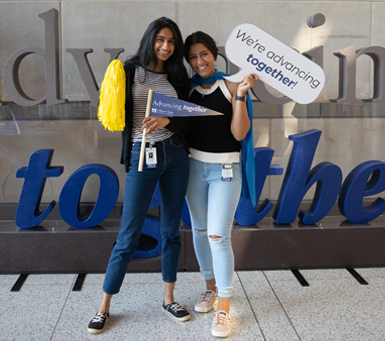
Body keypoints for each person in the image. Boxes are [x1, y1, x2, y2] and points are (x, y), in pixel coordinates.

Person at [87, 17, 191, 334]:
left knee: (172, 230)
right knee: (128, 234)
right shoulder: (129, 71)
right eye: (161, 39)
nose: (166, 46)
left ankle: (169, 298)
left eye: (172, 42)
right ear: (150, 39)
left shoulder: (177, 75)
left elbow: (188, 118)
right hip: (141, 154)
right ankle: (104, 307)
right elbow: (113, 114)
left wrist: (167, 122)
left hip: (175, 155)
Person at [183, 31, 257, 338]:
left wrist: (240, 95)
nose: (200, 61)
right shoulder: (185, 90)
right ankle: (210, 289)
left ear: (215, 54)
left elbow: (239, 134)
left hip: (225, 170)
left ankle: (224, 308)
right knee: (200, 231)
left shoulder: (232, 85)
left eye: (204, 54)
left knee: (218, 236)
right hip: (192, 168)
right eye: (193, 57)